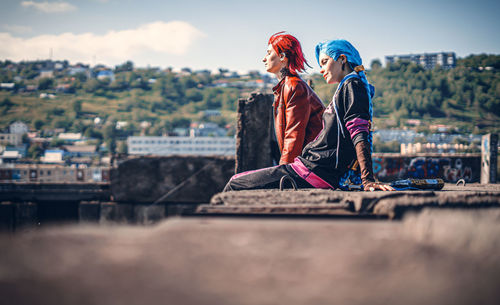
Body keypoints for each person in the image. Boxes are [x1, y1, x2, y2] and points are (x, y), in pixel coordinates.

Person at [224, 39, 393, 192]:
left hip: (313, 171)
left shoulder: (352, 84)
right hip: (310, 168)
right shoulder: (348, 86)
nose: (321, 70)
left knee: (236, 182)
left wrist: (368, 180)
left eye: (325, 62)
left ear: (342, 59)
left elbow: (358, 133)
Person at [263, 32, 325, 165]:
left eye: (268, 53)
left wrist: (284, 170)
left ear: (282, 57)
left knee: (236, 182)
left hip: (309, 166)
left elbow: (294, 136)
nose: (264, 58)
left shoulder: (294, 86)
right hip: (306, 163)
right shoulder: (286, 86)